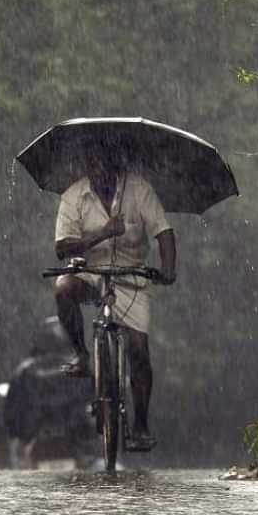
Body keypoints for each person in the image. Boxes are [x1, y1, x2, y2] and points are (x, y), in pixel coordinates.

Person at [53, 138, 176, 452]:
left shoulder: (139, 190)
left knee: (138, 349)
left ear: (118, 167)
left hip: (130, 275)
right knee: (64, 288)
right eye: (94, 167)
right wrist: (103, 233)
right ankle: (81, 355)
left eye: (106, 167)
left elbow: (164, 232)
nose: (100, 174)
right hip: (90, 271)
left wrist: (168, 269)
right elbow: (62, 248)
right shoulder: (73, 196)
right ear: (87, 170)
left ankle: (141, 424)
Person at [3, 317, 96, 469]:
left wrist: (20, 433)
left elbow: (11, 413)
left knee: (17, 472)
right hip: (75, 440)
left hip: (35, 439)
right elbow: (95, 404)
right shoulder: (81, 369)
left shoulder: (24, 371)